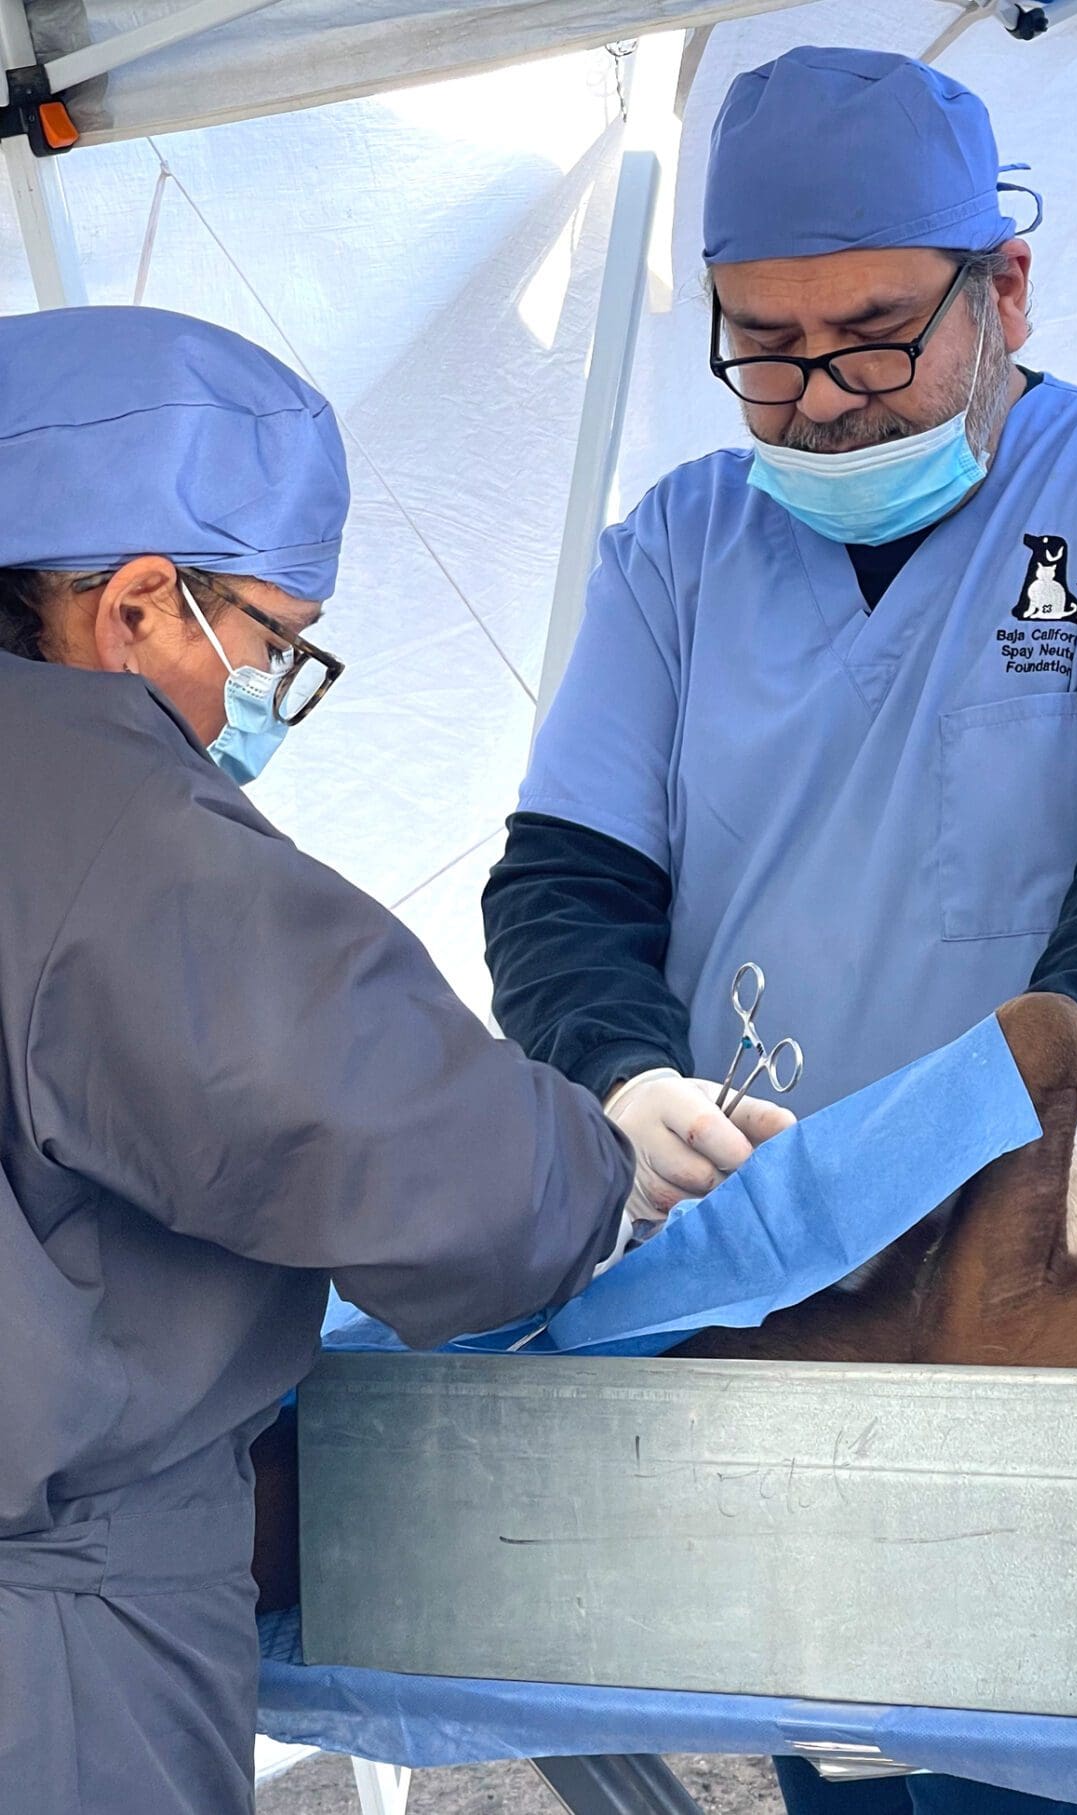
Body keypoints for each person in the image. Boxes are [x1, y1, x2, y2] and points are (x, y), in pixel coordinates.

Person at [484, 47, 1077, 1815]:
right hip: (781, 1259)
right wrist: (617, 1074)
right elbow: (563, 882)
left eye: (873, 333)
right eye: (764, 348)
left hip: (1075, 1236)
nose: (820, 399)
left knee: (1072, 1737)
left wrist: (1018, 1129)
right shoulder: (679, 544)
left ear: (1000, 285)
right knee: (845, 1725)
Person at [0, 305, 634, 1815]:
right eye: (270, 644)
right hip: (51, 1652)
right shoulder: (104, 819)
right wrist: (609, 1157)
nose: (253, 703)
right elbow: (459, 1182)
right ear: (142, 605)